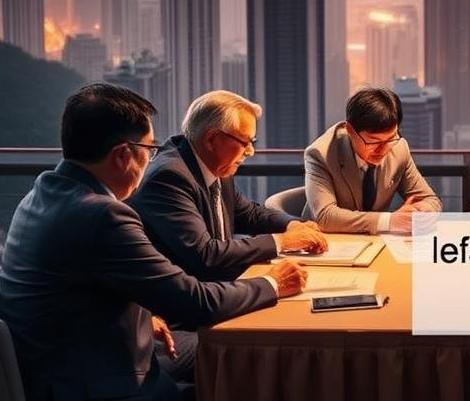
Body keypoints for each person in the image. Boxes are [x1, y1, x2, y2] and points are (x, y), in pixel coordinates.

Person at [0, 84, 306, 401]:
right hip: (100, 385)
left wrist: (143, 318)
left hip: (59, 371)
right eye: (148, 149)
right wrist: (273, 283)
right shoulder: (103, 216)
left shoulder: (41, 194)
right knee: (253, 361)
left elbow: (78, 293)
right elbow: (195, 302)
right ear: (122, 155)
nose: (151, 159)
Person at [128, 90, 327, 382]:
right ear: (212, 138)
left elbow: (249, 213)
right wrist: (281, 243)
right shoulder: (170, 177)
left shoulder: (214, 166)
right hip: (179, 319)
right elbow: (206, 254)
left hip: (216, 295)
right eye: (245, 142)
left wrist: (294, 226)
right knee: (273, 355)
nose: (251, 152)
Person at [304, 87, 441, 234]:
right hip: (324, 240)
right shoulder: (320, 154)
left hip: (375, 241)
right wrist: (389, 221)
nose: (383, 149)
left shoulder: (398, 147)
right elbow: (325, 217)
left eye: (390, 138)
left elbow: (430, 199)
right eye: (373, 142)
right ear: (349, 130)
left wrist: (422, 211)